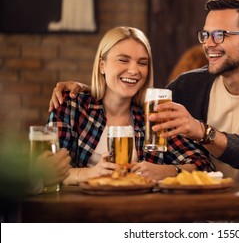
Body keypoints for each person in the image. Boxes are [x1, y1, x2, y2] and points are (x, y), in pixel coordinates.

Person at [49, 0, 239, 187]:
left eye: (219, 35)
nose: (208, 44)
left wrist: (199, 131)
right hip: (201, 211)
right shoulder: (187, 86)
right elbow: (132, 90)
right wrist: (88, 88)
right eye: (205, 34)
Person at [47, 26, 214, 185]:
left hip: (140, 211)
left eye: (142, 63)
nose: (134, 70)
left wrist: (167, 171)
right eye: (123, 60)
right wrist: (90, 174)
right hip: (82, 210)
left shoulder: (154, 116)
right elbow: (45, 170)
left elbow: (204, 166)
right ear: (102, 65)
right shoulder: (72, 106)